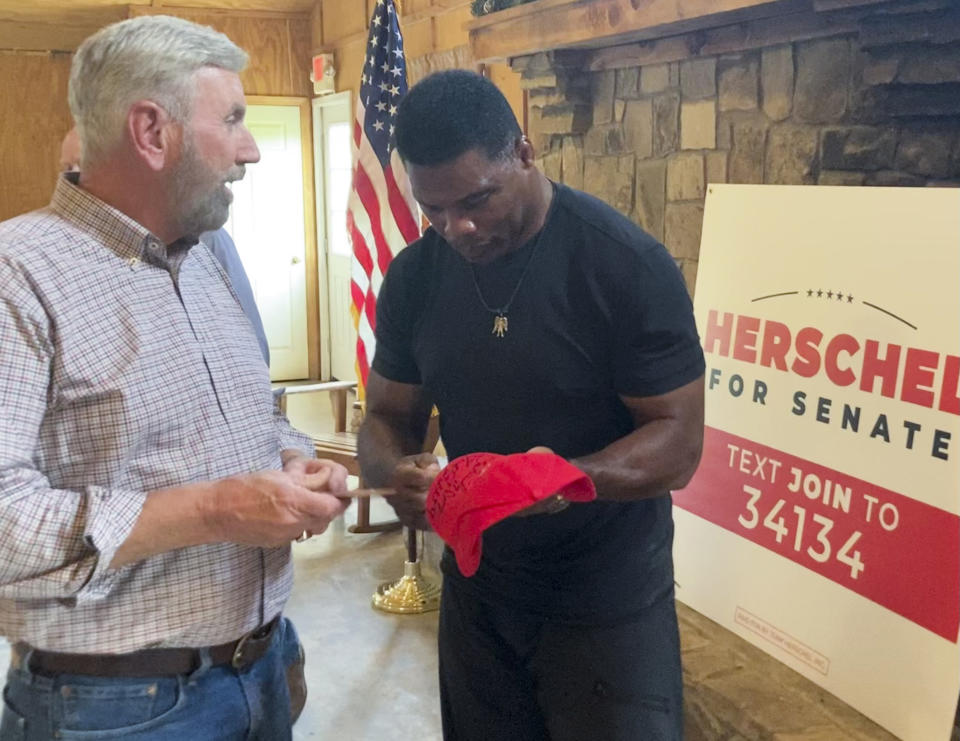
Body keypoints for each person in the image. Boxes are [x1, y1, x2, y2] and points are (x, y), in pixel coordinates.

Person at [0, 16, 348, 740]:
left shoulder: (211, 253)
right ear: (152, 132)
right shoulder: (18, 275)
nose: (250, 148)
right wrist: (216, 508)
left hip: (262, 662)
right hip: (114, 708)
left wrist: (292, 459)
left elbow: (258, 413)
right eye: (233, 119)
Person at [357, 69, 705, 741]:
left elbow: (679, 439)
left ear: (524, 151)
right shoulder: (415, 276)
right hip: (478, 586)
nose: (457, 226)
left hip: (606, 597)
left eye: (477, 200)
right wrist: (391, 469)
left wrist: (565, 477)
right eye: (433, 208)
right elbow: (385, 417)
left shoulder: (623, 265)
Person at [59, 127, 270, 365]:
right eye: (68, 170)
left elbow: (249, 332)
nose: (76, 179)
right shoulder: (71, 254)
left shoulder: (207, 238)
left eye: (83, 167)